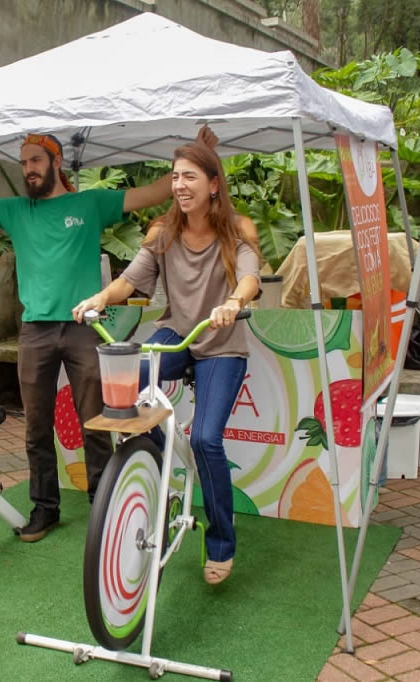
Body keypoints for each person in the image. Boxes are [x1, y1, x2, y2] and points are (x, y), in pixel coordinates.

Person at [0, 125, 219, 542]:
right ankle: (45, 509)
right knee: (36, 426)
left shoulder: (91, 203)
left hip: (86, 327)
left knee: (97, 420)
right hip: (36, 332)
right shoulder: (15, 211)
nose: (28, 169)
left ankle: (103, 500)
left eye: (35, 161)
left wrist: (198, 158)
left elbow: (153, 193)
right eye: (23, 162)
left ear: (56, 163)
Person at [72, 143, 261, 585]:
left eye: (190, 176)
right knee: (123, 382)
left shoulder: (235, 231)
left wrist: (233, 302)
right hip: (177, 334)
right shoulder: (163, 233)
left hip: (221, 342)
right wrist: (99, 298)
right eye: (175, 177)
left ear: (214, 185)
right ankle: (158, 460)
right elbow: (129, 280)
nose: (179, 185)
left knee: (207, 441)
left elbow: (250, 276)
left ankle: (220, 544)